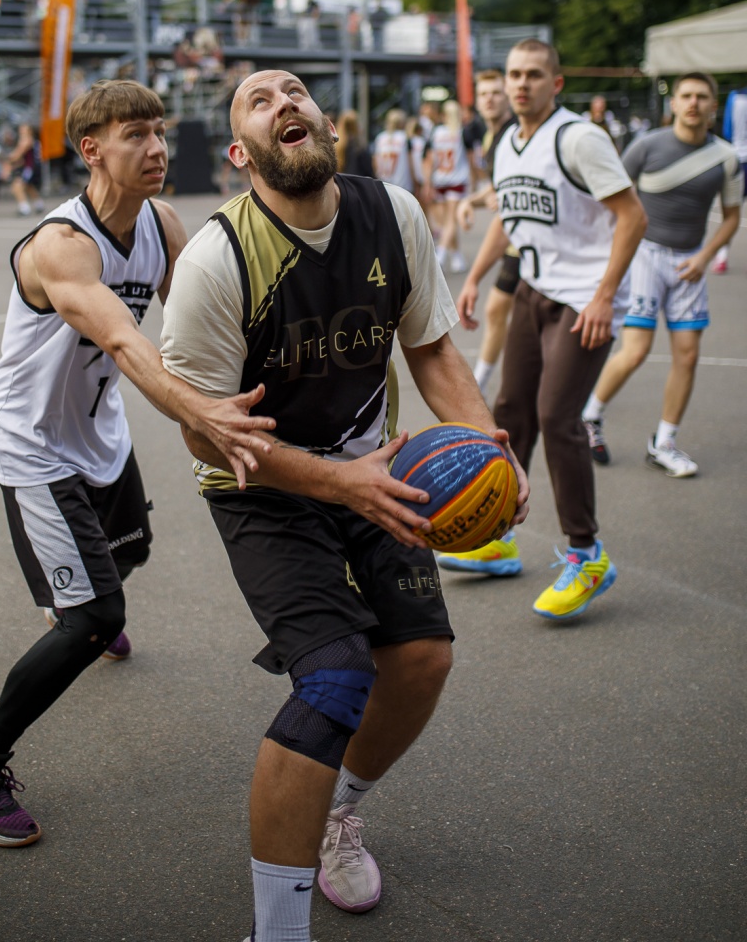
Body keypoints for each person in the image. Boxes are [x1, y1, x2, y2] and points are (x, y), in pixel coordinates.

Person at [159, 68, 527, 942]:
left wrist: (489, 453)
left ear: (326, 123)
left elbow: (430, 347)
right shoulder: (216, 260)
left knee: (423, 659)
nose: (284, 101)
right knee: (334, 677)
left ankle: (336, 812)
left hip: (376, 468)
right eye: (259, 100)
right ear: (241, 153)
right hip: (262, 486)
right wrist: (336, 482)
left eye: (295, 90)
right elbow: (205, 438)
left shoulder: (392, 213)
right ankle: (277, 931)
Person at [0, 80, 276, 849]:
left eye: (160, 132)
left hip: (99, 433)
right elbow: (126, 342)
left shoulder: (161, 221)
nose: (157, 148)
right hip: (33, 441)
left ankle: (75, 600)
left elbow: (203, 318)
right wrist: (204, 416)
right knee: (97, 617)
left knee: (131, 553)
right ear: (91, 149)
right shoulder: (63, 245)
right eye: (136, 135)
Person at [451, 39, 647, 620]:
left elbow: (633, 216)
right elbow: (508, 218)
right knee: (511, 413)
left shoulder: (579, 138)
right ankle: (499, 537)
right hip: (534, 291)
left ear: (556, 83)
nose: (520, 84)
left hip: (583, 299)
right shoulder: (506, 142)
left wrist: (605, 296)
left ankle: (587, 555)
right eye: (514, 74)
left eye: (533, 75)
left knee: (558, 416)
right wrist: (475, 277)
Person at [582, 72, 743, 477]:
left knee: (687, 355)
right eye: (686, 95)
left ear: (713, 105)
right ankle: (590, 416)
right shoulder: (647, 145)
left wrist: (705, 257)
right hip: (645, 257)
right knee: (635, 350)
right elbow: (610, 197)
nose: (693, 103)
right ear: (674, 103)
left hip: (690, 263)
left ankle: (664, 443)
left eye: (701, 96)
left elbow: (731, 217)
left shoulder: (726, 158)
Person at [455, 70, 517, 400]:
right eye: (483, 94)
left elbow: (507, 201)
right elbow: (498, 189)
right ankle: (481, 383)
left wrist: (473, 278)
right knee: (498, 312)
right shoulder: (492, 137)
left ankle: (480, 385)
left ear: (508, 96)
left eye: (496, 92)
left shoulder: (514, 135)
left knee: (501, 311)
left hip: (528, 244)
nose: (489, 99)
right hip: (518, 242)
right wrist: (471, 201)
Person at [428, 99, 471, 272]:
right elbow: (471, 158)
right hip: (456, 179)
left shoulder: (437, 132)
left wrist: (428, 181)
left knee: (447, 222)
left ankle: (456, 256)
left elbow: (431, 158)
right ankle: (442, 253)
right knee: (451, 221)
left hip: (440, 178)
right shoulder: (462, 132)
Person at [711, 83, 747, 273]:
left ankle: (721, 256)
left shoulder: (735, 97)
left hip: (739, 158)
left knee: (730, 212)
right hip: (739, 159)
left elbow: (727, 130)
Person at [371, 108, 417, 192]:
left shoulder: (380, 138)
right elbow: (411, 163)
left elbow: (375, 161)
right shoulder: (405, 138)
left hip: (383, 184)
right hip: (402, 185)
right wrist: (415, 182)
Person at [7, 122, 43, 217]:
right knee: (28, 186)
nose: (21, 131)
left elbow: (17, 155)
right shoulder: (28, 140)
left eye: (24, 129)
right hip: (30, 167)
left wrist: (9, 158)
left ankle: (24, 208)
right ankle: (39, 205)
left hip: (30, 168)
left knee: (17, 186)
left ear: (29, 131)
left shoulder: (27, 140)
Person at [333, 109, 373, 178]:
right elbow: (369, 171)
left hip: (340, 181)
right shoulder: (359, 146)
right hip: (356, 182)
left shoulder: (335, 145)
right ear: (356, 125)